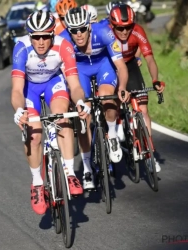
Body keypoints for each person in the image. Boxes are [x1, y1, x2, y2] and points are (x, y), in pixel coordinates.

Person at [11, 10, 90, 214]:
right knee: (34, 134)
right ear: (30, 36)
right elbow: (17, 90)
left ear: (52, 35)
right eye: (35, 36)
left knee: (62, 117)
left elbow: (74, 85)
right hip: (30, 89)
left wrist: (80, 101)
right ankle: (37, 183)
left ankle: (70, 172)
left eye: (45, 36)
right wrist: (19, 110)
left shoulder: (64, 46)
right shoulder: (21, 49)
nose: (40, 41)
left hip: (54, 83)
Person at [59, 7, 130, 190]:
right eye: (74, 30)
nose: (79, 34)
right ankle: (87, 168)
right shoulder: (64, 41)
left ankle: (112, 134)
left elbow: (121, 66)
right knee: (84, 114)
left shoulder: (103, 32)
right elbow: (64, 76)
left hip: (103, 65)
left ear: (89, 27)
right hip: (80, 70)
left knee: (107, 96)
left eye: (82, 29)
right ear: (69, 30)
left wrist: (121, 87)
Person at [109, 4, 165, 172]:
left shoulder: (138, 30)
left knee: (143, 109)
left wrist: (155, 80)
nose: (124, 32)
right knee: (112, 103)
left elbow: (149, 58)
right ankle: (114, 131)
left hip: (131, 65)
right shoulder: (106, 32)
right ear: (112, 25)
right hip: (111, 66)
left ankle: (149, 154)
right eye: (120, 28)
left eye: (128, 27)